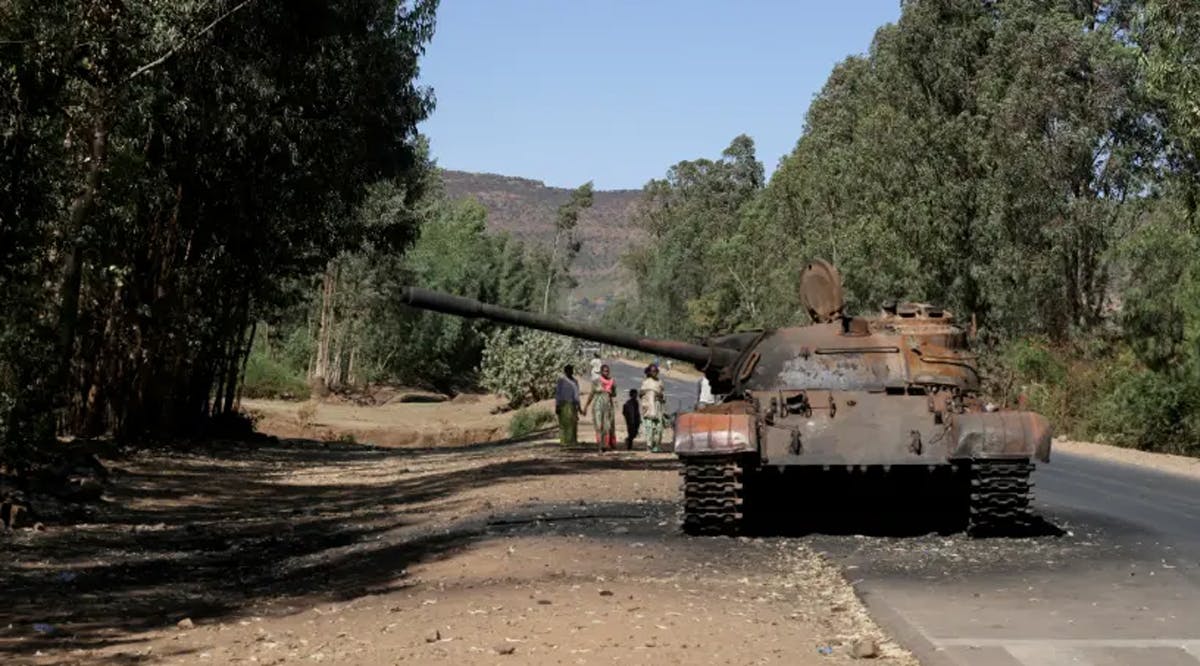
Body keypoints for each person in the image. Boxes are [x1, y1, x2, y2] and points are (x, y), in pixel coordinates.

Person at [585, 364, 617, 451]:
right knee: (599, 426)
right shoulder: (596, 381)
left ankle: (605, 445)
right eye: (604, 371)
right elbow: (591, 394)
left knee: (607, 426)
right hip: (597, 406)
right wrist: (586, 406)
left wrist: (610, 392)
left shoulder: (612, 381)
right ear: (601, 371)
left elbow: (615, 394)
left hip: (608, 406)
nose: (606, 372)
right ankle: (599, 446)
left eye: (607, 371)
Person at [639, 364, 666, 452]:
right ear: (649, 372)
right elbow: (641, 394)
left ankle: (656, 446)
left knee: (658, 427)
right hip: (649, 406)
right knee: (649, 427)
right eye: (652, 371)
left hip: (658, 406)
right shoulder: (646, 382)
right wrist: (648, 392)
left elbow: (663, 395)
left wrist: (659, 395)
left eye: (655, 371)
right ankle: (649, 446)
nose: (654, 373)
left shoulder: (660, 382)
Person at [555, 364, 580, 446]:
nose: (570, 372)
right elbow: (558, 393)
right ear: (565, 371)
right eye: (569, 370)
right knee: (564, 423)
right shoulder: (561, 381)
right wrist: (557, 405)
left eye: (571, 370)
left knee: (573, 423)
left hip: (572, 404)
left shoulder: (575, 381)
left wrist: (578, 406)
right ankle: (564, 442)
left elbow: (576, 394)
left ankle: (572, 441)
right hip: (563, 404)